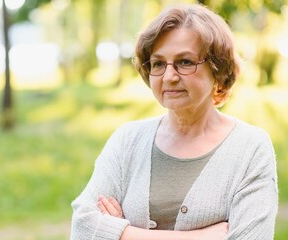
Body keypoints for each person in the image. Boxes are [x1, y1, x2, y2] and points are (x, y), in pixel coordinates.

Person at [70, 3, 278, 240]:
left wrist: (120, 234)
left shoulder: (250, 147)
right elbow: (83, 228)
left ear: (217, 70)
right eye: (158, 63)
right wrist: (202, 237)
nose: (169, 76)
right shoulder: (127, 139)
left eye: (185, 62)